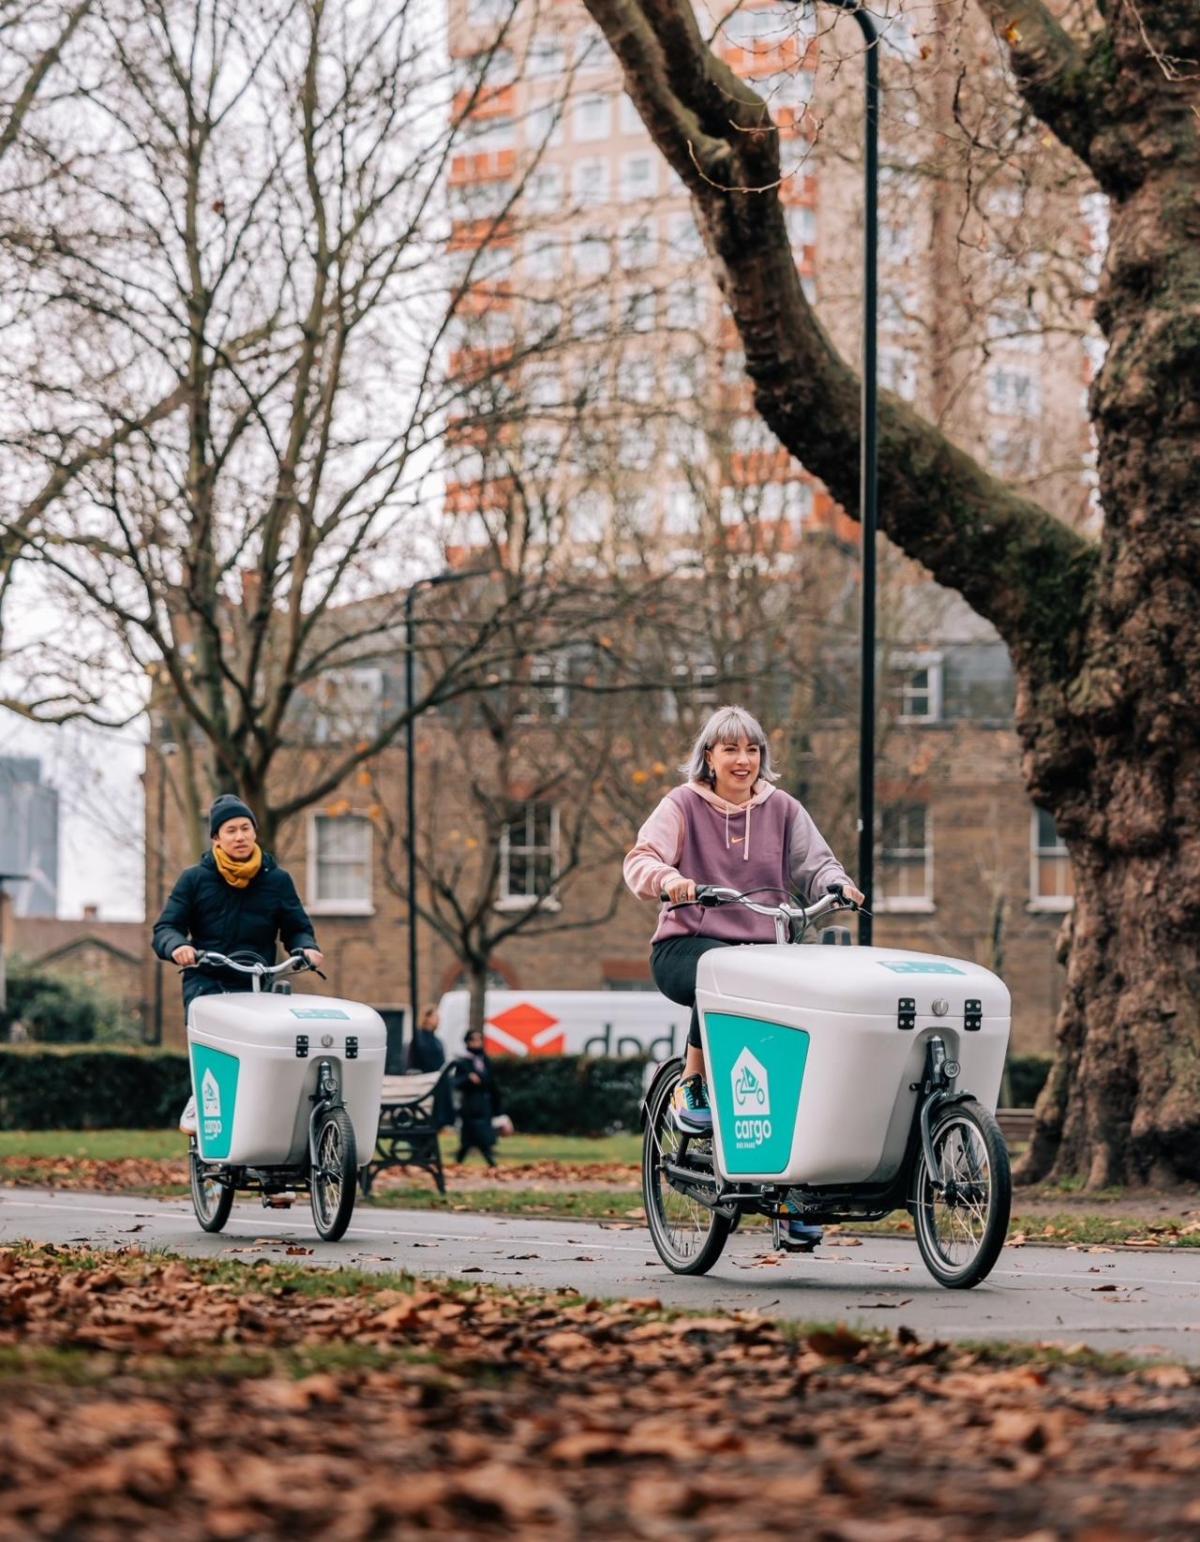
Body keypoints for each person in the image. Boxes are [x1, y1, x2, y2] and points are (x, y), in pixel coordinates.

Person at [623, 704, 863, 1250]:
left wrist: (837, 885)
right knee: (721, 972)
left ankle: (793, 1197)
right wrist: (669, 880)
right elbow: (641, 858)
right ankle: (691, 1085)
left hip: (764, 958)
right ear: (708, 757)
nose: (743, 760)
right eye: (730, 749)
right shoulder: (682, 804)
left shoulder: (781, 808)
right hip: (687, 947)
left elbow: (814, 863)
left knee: (793, 1056)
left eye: (752, 750)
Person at [153, 793, 324, 1132]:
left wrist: (306, 948)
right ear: (217, 838)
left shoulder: (277, 881)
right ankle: (200, 1098)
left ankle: (270, 1117)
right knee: (213, 1045)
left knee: (269, 1045)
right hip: (207, 977)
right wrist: (178, 947)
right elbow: (166, 928)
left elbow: (297, 929)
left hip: (258, 979)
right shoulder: (195, 880)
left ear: (255, 832)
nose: (240, 836)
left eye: (245, 828)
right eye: (230, 830)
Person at [453, 1026, 505, 1167]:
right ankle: (489, 1163)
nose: (477, 1043)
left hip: (484, 1104)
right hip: (470, 1105)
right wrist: (468, 1078)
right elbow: (456, 1082)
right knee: (472, 1137)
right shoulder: (463, 1062)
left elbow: (492, 1083)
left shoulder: (485, 1060)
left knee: (480, 1136)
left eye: (479, 1040)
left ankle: (462, 1162)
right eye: (474, 1040)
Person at [408, 1003, 454, 1130]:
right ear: (427, 1018)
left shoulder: (437, 1040)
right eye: (435, 1017)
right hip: (426, 1082)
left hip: (439, 1082)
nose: (438, 1020)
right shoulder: (419, 1038)